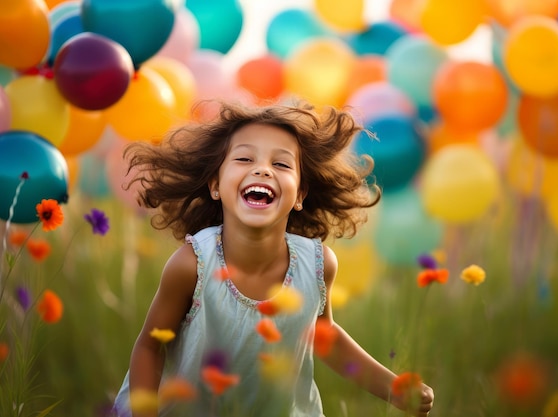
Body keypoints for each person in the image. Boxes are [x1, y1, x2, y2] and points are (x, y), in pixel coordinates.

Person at [112, 100, 434, 417]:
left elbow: (326, 338)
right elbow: (149, 347)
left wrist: (394, 388)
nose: (263, 169)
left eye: (281, 164)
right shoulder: (192, 265)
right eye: (244, 158)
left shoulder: (318, 265)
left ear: (300, 195)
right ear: (215, 185)